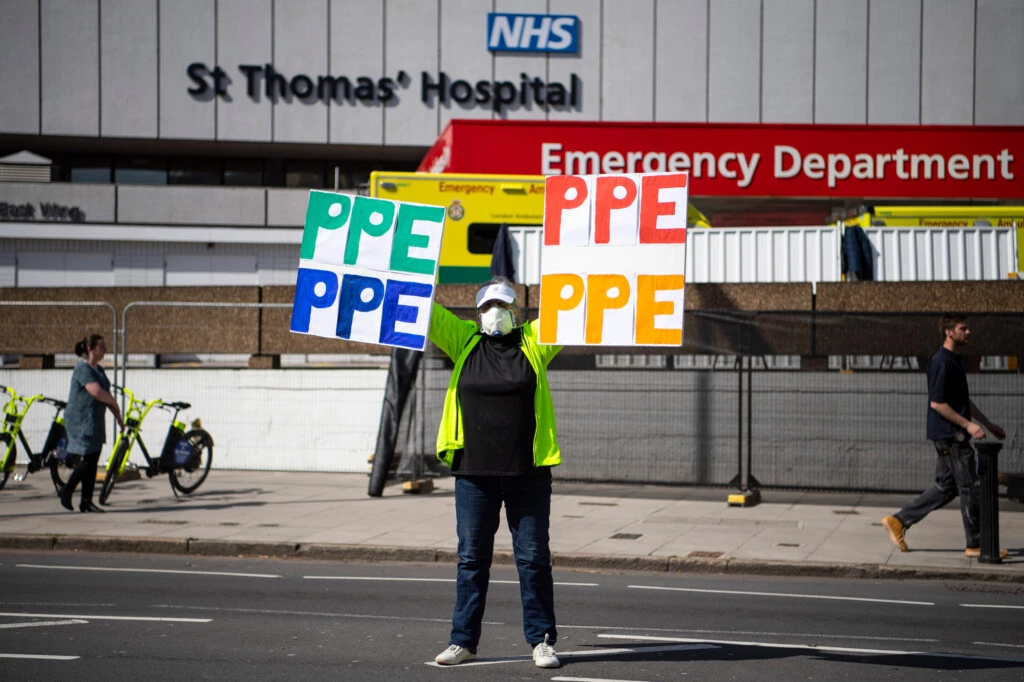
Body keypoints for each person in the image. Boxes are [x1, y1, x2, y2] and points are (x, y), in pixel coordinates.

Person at [429, 278, 562, 668]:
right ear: (477, 313)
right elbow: (423, 311)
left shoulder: (534, 341)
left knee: (534, 559)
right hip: (474, 476)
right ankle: (462, 641)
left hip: (528, 475)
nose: (494, 312)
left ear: (516, 311)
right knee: (471, 560)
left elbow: (573, 313)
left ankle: (542, 641)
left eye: (502, 305)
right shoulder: (463, 341)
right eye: (488, 306)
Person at [882, 314, 1006, 558]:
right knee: (970, 487)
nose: (968, 332)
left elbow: (961, 400)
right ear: (949, 332)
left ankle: (898, 521)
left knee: (945, 488)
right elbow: (937, 403)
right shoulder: (941, 362)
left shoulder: (954, 361)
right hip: (952, 438)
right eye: (963, 328)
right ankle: (976, 544)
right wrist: (968, 426)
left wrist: (986, 423)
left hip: (952, 435)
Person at [59, 334, 123, 513]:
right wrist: (114, 402)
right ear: (90, 349)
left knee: (93, 459)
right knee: (88, 459)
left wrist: (117, 415)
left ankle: (86, 501)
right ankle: (66, 490)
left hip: (94, 419)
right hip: (80, 419)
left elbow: (106, 396)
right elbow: (96, 391)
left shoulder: (100, 371)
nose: (105, 350)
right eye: (101, 347)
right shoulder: (82, 369)